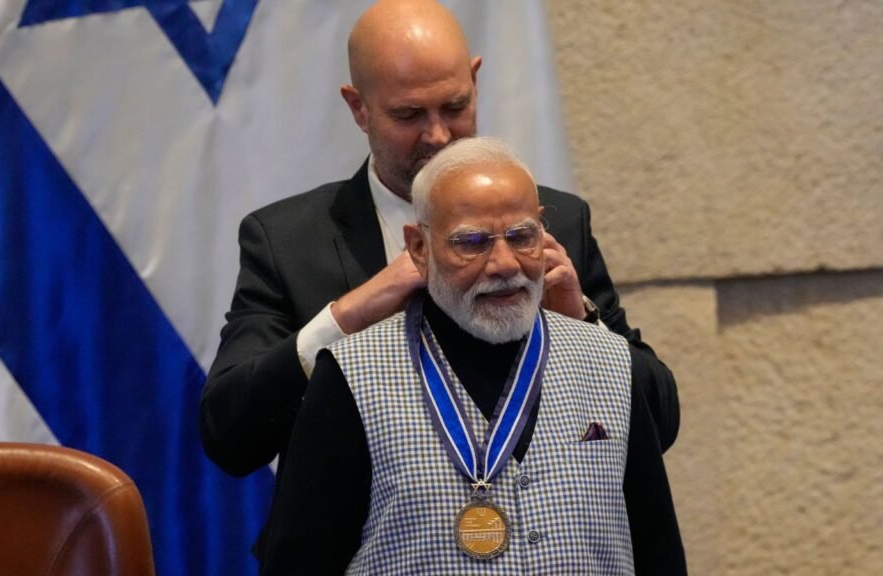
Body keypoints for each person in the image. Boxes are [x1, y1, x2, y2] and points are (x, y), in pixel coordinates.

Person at [201, 0, 677, 478]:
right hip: (364, 544)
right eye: (408, 114)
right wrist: (349, 315)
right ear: (358, 108)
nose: (437, 135)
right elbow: (229, 437)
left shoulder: (556, 222)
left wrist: (580, 322)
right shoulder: (288, 242)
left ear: (475, 82)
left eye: (455, 106)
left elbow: (660, 424)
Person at [261, 137, 687, 574]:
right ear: (419, 248)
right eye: (472, 242)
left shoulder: (612, 362)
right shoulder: (350, 378)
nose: (504, 264)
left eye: (522, 236)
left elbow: (659, 552)